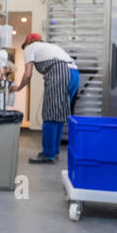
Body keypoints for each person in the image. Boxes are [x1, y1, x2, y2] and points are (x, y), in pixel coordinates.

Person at [11, 33, 80, 164]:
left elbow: (28, 74)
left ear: (27, 42)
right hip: (74, 73)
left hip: (60, 73)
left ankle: (47, 154)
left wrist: (19, 87)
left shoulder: (30, 47)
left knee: (50, 115)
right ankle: (54, 152)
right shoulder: (49, 46)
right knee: (59, 116)